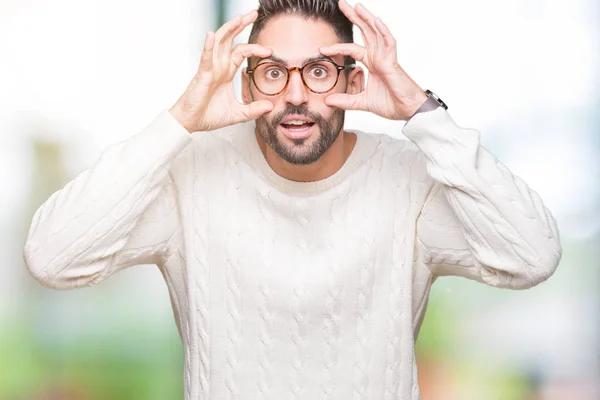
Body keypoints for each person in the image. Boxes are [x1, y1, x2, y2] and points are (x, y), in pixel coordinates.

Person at [22, 0, 563, 398]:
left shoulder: (409, 179)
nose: (298, 94)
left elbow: (532, 255)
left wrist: (423, 114)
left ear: (354, 78)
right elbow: (52, 257)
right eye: (275, 72)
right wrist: (179, 123)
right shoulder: (192, 173)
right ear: (248, 85)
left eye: (320, 71)